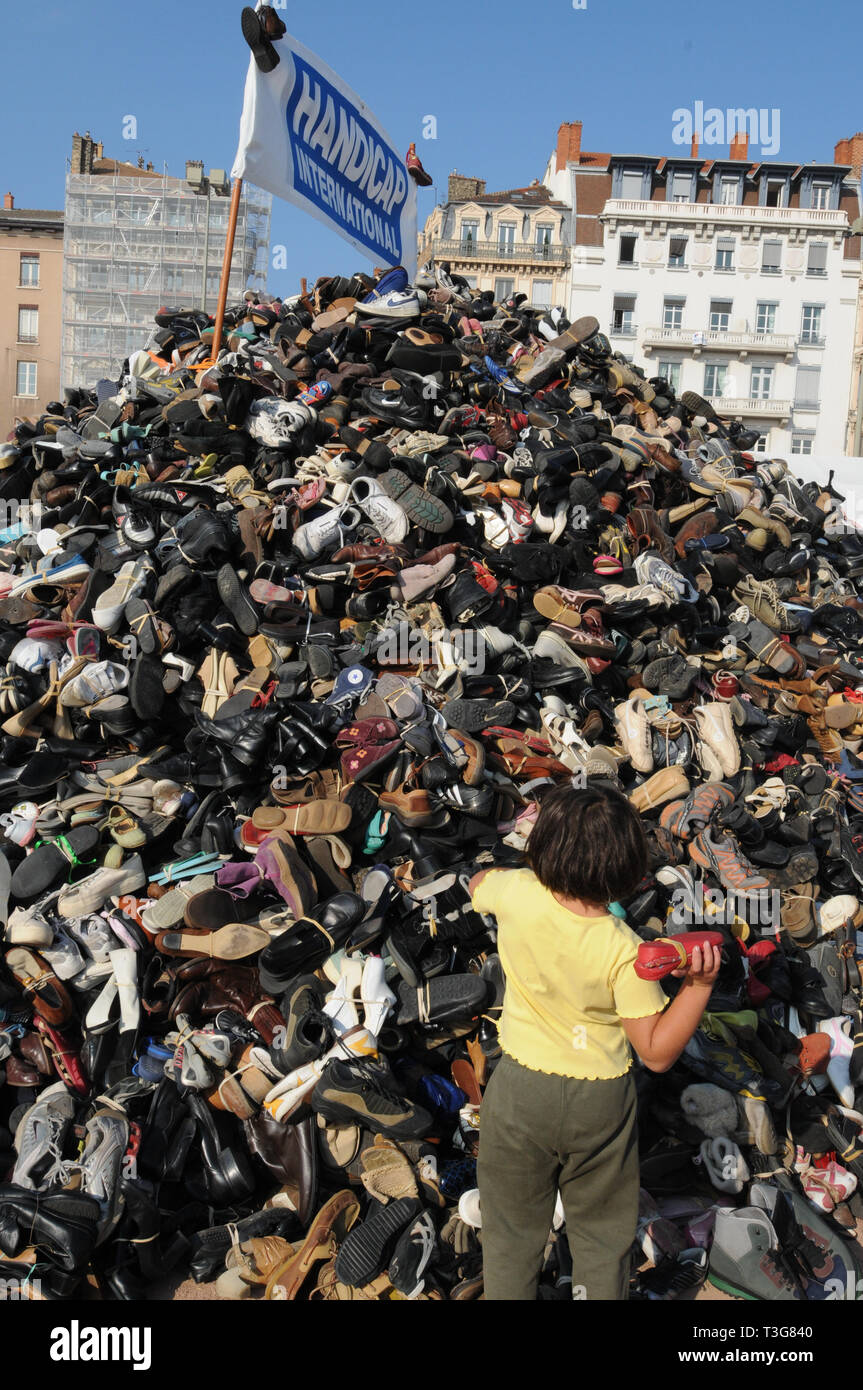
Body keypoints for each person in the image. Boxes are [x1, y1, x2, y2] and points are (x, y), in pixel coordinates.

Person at [469, 782, 721, 1301]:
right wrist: (697, 986)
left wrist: (498, 876)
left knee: (510, 1233)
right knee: (601, 1236)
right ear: (629, 870)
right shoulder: (627, 951)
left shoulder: (517, 892)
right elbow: (655, 1053)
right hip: (598, 1099)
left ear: (542, 851)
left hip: (518, 1089)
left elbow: (479, 884)